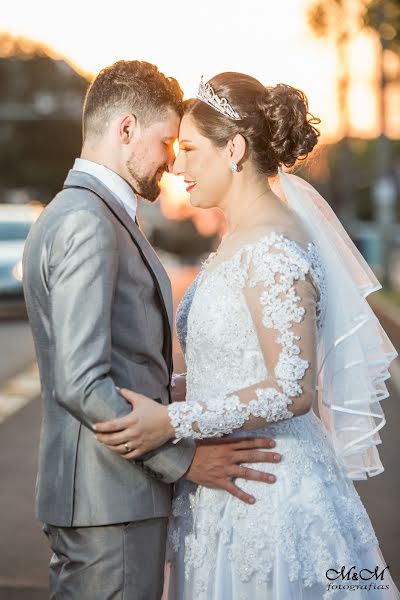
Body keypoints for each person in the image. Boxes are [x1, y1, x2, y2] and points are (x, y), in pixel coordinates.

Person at [95, 73, 400, 598]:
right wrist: (172, 390)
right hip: (222, 485)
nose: (178, 165)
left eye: (189, 148)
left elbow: (292, 388)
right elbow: (235, 363)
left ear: (233, 148)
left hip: (270, 489)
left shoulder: (273, 249)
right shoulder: (240, 238)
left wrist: (171, 420)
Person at [22, 62, 281, 600]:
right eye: (166, 140)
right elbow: (81, 383)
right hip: (109, 500)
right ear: (126, 129)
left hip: (107, 500)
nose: (171, 160)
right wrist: (185, 459)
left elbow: (120, 357)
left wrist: (185, 393)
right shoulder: (86, 221)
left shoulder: (85, 213)